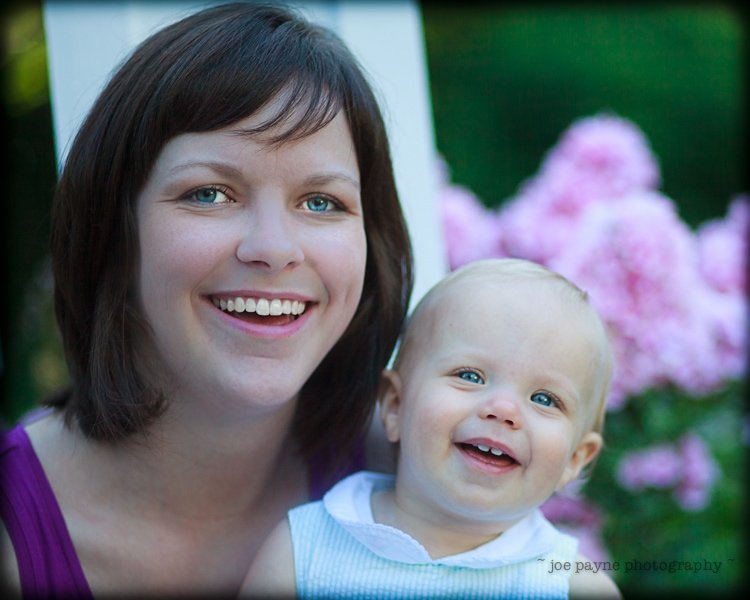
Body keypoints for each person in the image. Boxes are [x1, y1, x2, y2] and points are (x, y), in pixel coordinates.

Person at [0, 3, 413, 597]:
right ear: (113, 230)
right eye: (211, 194)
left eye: (322, 202)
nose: (274, 249)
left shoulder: (416, 475)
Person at [241, 258, 622, 599]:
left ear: (575, 458)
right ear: (395, 406)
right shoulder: (305, 549)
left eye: (544, 399)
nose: (504, 410)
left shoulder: (571, 585)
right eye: (470, 375)